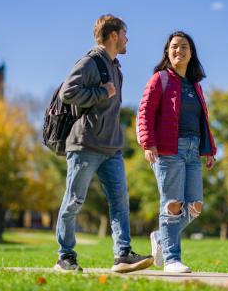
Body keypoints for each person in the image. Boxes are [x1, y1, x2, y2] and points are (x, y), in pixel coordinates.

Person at [54, 14, 153, 273]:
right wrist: (101, 92)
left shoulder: (115, 66)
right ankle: (64, 257)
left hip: (112, 148)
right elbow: (67, 92)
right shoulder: (90, 62)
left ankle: (122, 255)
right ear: (113, 35)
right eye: (124, 34)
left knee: (120, 202)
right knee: (74, 200)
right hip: (85, 146)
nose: (127, 39)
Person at [137, 31, 216, 273]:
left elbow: (202, 120)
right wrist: (147, 143)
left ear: (191, 53)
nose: (178, 51)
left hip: (193, 150)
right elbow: (144, 112)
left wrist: (209, 149)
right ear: (167, 52)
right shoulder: (159, 79)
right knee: (172, 204)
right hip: (168, 148)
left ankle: (161, 238)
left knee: (195, 206)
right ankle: (171, 259)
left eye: (183, 47)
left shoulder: (195, 87)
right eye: (173, 47)